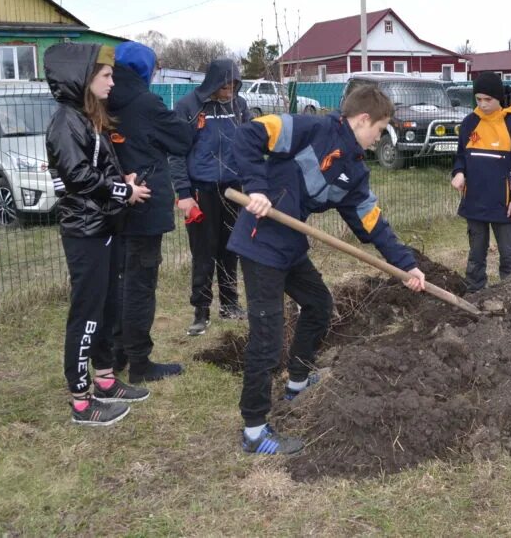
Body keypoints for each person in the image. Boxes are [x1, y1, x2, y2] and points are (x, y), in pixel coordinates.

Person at [230, 84, 427, 454]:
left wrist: (407, 266)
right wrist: (256, 187)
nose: (379, 138)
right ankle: (255, 430)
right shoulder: (310, 129)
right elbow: (249, 134)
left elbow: (372, 223)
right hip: (260, 243)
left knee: (319, 305)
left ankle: (298, 382)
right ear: (363, 119)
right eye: (380, 130)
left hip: (289, 246)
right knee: (267, 338)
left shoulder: (353, 172)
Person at [45, 42, 152, 426]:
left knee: (108, 309)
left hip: (104, 226)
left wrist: (119, 179)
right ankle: (80, 399)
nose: (112, 82)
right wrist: (125, 191)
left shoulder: (88, 118)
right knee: (87, 314)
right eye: (105, 76)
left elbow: (97, 170)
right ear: (83, 79)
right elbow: (76, 178)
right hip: (85, 232)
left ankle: (106, 380)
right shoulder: (65, 121)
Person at [108, 42, 194, 383]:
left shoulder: (102, 98)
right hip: (144, 201)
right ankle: (140, 362)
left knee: (118, 281)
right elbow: (182, 139)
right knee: (140, 285)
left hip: (114, 201)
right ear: (145, 69)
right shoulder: (145, 102)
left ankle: (115, 355)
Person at [169, 59, 252, 336]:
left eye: (234, 86)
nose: (230, 91)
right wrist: (183, 192)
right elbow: (176, 152)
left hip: (233, 188)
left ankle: (230, 304)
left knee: (231, 248)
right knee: (203, 252)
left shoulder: (239, 107)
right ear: (213, 83)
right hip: (200, 190)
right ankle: (201, 311)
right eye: (225, 86)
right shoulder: (188, 107)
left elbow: (250, 140)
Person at [450, 72, 511, 292]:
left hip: (505, 205)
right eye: (478, 99)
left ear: (498, 97)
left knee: (509, 256)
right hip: (475, 202)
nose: (483, 104)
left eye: (488, 99)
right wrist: (459, 172)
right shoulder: (470, 123)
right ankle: (474, 294)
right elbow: (461, 156)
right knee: (475, 255)